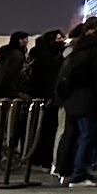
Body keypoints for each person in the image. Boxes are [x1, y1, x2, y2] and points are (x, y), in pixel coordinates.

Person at [59, 17, 97, 187]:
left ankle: (71, 172)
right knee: (88, 137)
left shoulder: (78, 49)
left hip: (75, 100)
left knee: (78, 137)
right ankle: (79, 175)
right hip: (90, 101)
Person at [22, 31, 66, 170]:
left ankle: (38, 157)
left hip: (46, 97)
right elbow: (46, 79)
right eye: (59, 39)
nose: (62, 41)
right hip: (45, 98)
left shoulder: (51, 56)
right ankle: (42, 158)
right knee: (45, 130)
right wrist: (49, 96)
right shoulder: (48, 57)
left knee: (44, 129)